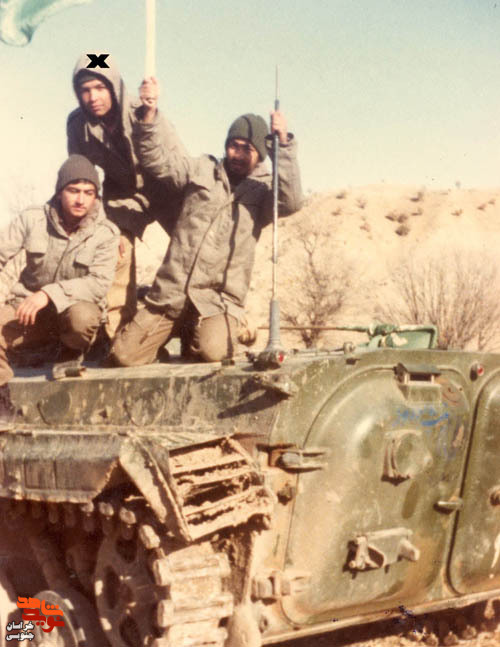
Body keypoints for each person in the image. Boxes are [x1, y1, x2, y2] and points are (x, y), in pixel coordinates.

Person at [109, 78, 303, 366]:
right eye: (233, 146)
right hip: (172, 293)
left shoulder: (263, 192)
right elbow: (158, 162)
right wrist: (148, 116)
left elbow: (291, 202)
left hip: (217, 301)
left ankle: (233, 327)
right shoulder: (201, 168)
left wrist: (283, 145)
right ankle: (170, 336)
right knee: (123, 355)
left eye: (247, 149)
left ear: (260, 155)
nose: (238, 154)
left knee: (213, 353)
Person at [67, 54, 186, 337]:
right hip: (122, 194)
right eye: (85, 90)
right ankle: (119, 332)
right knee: (114, 248)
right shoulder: (77, 124)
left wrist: (150, 117)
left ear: (114, 87)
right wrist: (98, 222)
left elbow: (180, 167)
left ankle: (192, 324)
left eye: (100, 87)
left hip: (167, 190)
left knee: (190, 251)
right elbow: (81, 173)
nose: (93, 97)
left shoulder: (143, 111)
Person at [0, 155, 119, 427]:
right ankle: (2, 399)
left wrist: (48, 294)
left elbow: (98, 283)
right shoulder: (32, 219)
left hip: (72, 316)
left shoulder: (105, 233)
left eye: (89, 193)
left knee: (83, 318)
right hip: (29, 312)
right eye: (73, 190)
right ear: (59, 191)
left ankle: (70, 350)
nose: (81, 200)